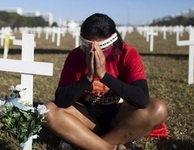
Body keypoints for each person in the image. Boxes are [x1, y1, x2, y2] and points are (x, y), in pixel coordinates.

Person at [43, 13, 168, 150]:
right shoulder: (75, 55)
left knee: (158, 109)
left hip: (119, 116)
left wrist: (104, 75)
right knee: (46, 110)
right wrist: (89, 76)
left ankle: (88, 144)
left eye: (103, 48)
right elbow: (61, 100)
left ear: (113, 42)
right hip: (87, 116)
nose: (95, 52)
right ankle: (109, 147)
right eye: (88, 47)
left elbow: (142, 100)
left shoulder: (128, 54)